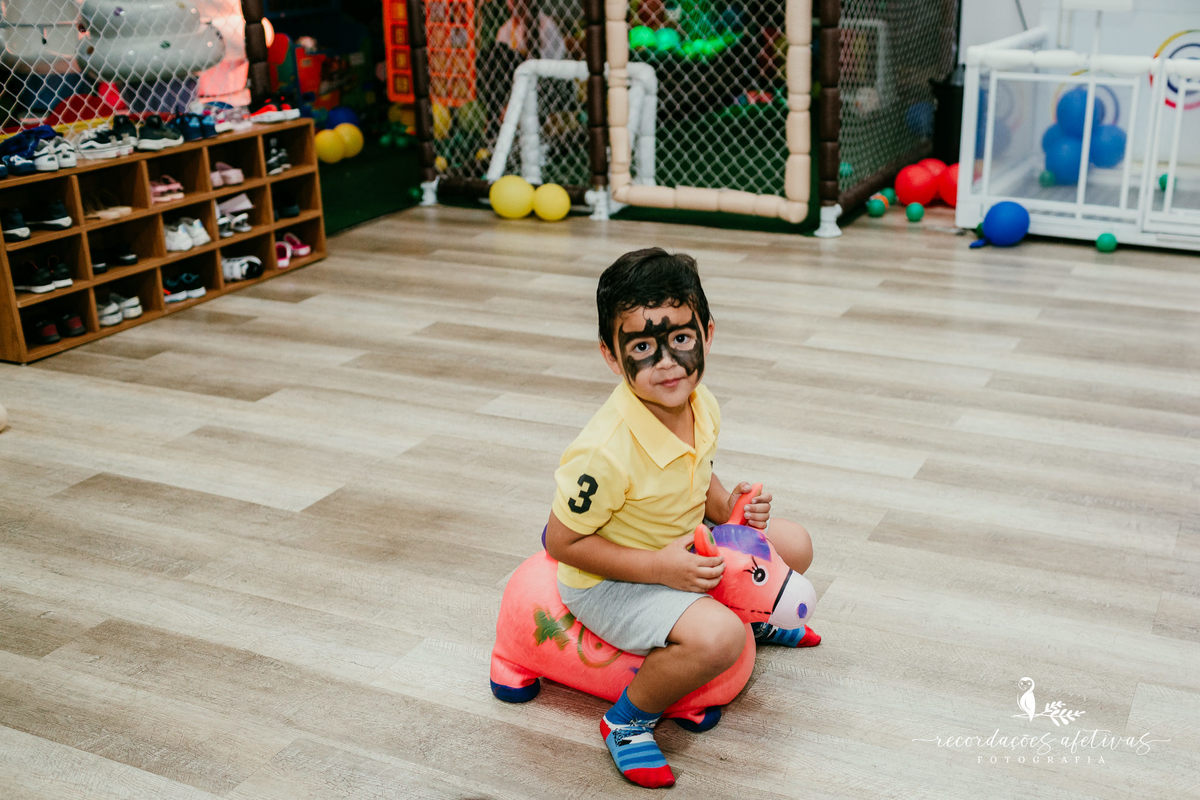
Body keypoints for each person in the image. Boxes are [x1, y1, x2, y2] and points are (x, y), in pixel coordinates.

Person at [544, 247, 818, 789]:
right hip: (610, 580)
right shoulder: (604, 451)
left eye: (681, 340)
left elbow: (698, 476)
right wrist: (661, 570)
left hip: (682, 544)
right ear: (610, 354)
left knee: (797, 543)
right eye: (643, 347)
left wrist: (731, 511)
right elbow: (561, 543)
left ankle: (750, 612)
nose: (666, 362)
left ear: (707, 334)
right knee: (720, 639)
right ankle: (627, 722)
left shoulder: (700, 401)